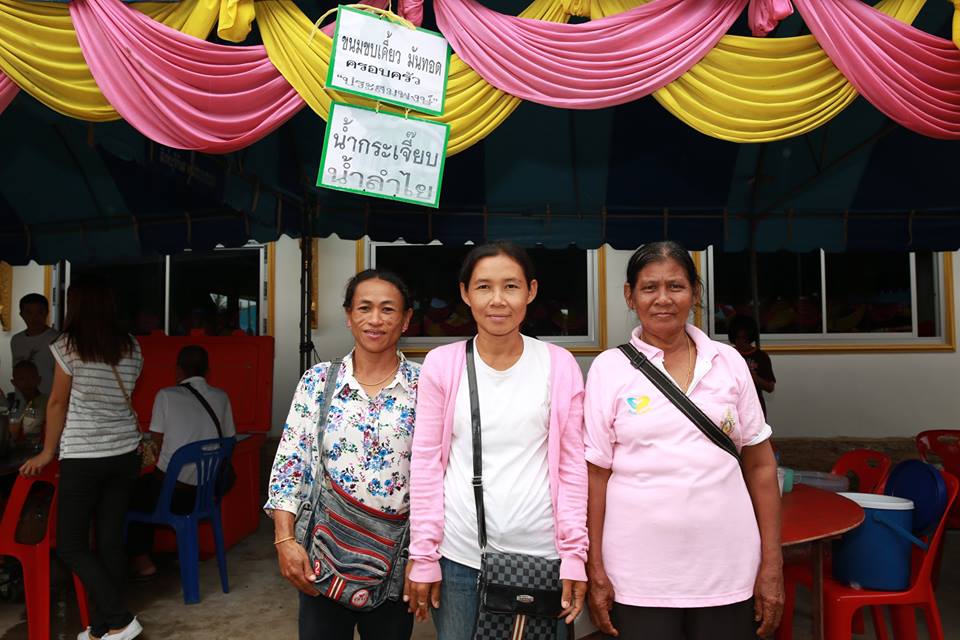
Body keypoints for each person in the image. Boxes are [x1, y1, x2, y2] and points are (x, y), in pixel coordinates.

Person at [583, 242, 783, 640]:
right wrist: (596, 568)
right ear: (630, 295)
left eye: (675, 286)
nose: (663, 299)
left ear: (695, 293)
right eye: (649, 287)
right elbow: (595, 476)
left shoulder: (728, 362)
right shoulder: (609, 369)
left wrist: (772, 563)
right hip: (638, 577)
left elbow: (761, 466)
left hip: (728, 571)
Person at [407, 241, 588, 640]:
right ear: (465, 293)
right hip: (460, 558)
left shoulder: (558, 365)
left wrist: (575, 554)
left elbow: (572, 465)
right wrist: (423, 554)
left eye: (511, 286)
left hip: (544, 555)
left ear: (531, 291)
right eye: (484, 287)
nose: (498, 300)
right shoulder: (442, 364)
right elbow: (425, 464)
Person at [265, 269, 420, 640]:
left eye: (388, 309)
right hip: (323, 554)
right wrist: (285, 541)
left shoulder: (426, 385)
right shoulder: (318, 381)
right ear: (349, 316)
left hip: (395, 558)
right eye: (364, 308)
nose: (375, 319)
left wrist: (425, 556)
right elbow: (290, 465)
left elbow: (440, 474)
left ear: (405, 320)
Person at [20, 274, 145, 640]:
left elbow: (57, 402)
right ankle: (104, 628)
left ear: (76, 305)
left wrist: (47, 452)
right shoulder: (132, 345)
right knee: (109, 542)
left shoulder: (68, 345)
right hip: (125, 453)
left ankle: (120, 618)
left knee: (72, 545)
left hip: (85, 455)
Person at [127, 345, 237, 580]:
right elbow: (229, 442)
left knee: (130, 492)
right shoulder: (222, 397)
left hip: (173, 496)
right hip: (206, 494)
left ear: (178, 370)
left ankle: (142, 561)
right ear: (207, 371)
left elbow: (154, 446)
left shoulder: (166, 395)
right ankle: (183, 549)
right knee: (149, 488)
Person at [11, 293, 60, 397]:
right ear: (21, 315)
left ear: (47, 313)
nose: (34, 318)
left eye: (40, 312)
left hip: (49, 401)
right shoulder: (16, 340)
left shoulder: (57, 339)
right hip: (22, 402)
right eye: (29, 313)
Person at [728, 315, 776, 418]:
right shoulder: (728, 354)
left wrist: (750, 375)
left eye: (744, 338)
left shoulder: (761, 356)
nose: (740, 341)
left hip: (754, 408)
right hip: (732, 407)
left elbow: (770, 387)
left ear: (749, 337)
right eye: (737, 338)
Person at [8, 360, 47, 441]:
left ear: (39, 380)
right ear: (14, 382)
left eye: (32, 377)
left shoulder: (45, 403)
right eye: (21, 379)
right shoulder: (16, 405)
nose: (27, 382)